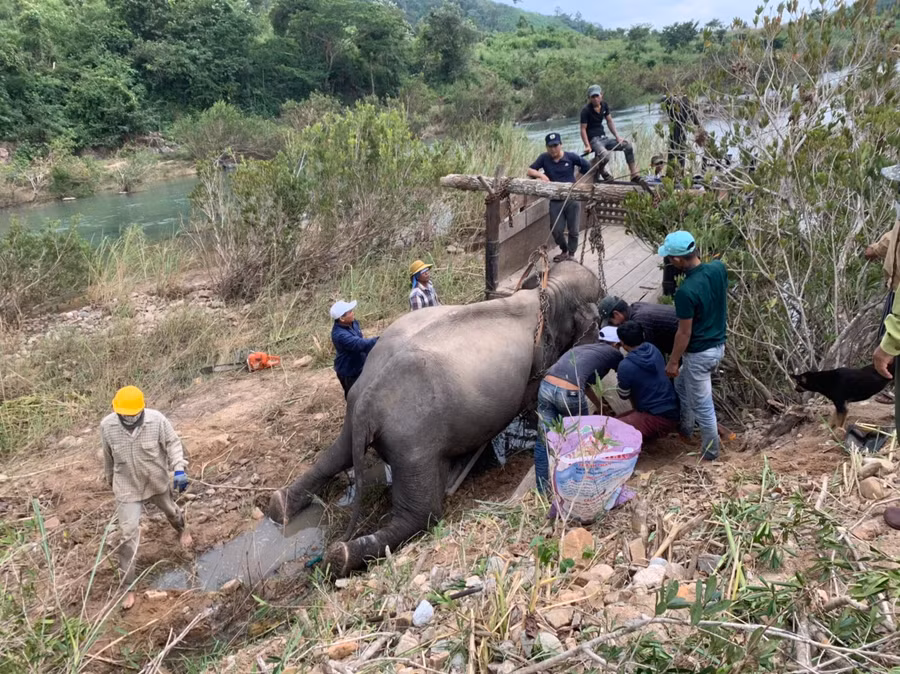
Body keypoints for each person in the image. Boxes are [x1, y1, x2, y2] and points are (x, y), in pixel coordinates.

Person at [101, 386, 192, 610]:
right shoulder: (107, 426)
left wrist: (179, 468)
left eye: (133, 414)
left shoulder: (157, 420)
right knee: (127, 535)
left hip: (155, 480)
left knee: (172, 512)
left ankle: (183, 530)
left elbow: (173, 444)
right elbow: (108, 457)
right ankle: (128, 587)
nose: (129, 418)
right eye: (124, 414)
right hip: (126, 487)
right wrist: (110, 480)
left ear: (142, 409)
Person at [658, 231, 728, 461]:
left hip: (700, 354)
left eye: (670, 258)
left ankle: (711, 454)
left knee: (703, 406)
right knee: (681, 384)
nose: (670, 262)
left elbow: (684, 332)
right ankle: (686, 429)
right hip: (718, 346)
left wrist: (673, 361)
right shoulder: (718, 269)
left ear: (678, 259)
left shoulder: (686, 292)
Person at [534, 342, 623, 493]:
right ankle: (579, 487)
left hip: (546, 387)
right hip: (570, 392)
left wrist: (599, 405)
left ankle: (543, 491)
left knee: (544, 440)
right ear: (617, 343)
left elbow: (586, 384)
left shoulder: (585, 348)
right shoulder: (614, 354)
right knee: (582, 441)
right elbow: (624, 375)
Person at [527, 132, 592, 262]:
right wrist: (542, 175)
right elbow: (530, 170)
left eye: (555, 145)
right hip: (555, 200)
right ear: (546, 147)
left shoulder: (570, 157)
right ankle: (564, 249)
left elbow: (586, 166)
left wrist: (578, 179)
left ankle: (571, 254)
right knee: (556, 229)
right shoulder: (544, 158)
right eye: (550, 146)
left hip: (572, 198)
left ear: (561, 145)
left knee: (573, 229)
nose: (553, 149)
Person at [615, 321, 681, 442]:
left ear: (622, 343)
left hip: (657, 416)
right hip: (672, 409)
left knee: (612, 428)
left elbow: (623, 395)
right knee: (614, 420)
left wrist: (620, 381)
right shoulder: (653, 349)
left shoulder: (625, 365)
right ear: (643, 336)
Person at [580, 85, 640, 183]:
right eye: (593, 97)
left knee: (627, 146)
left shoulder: (604, 105)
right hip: (594, 140)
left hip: (604, 138)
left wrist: (617, 137)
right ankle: (602, 170)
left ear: (601, 95)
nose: (595, 99)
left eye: (597, 96)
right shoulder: (585, 110)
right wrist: (587, 145)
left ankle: (634, 174)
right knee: (605, 156)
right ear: (589, 98)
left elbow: (609, 121)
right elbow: (583, 129)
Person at [598, 295, 679, 358]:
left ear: (616, 314)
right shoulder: (635, 307)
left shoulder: (640, 320)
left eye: (611, 322)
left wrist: (625, 343)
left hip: (684, 340)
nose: (613, 325)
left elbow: (649, 353)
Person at [330, 300, 378, 398]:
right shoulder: (340, 335)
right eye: (350, 312)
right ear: (342, 318)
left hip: (359, 364)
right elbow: (360, 344)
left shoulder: (353, 323)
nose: (353, 313)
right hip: (349, 371)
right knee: (354, 396)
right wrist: (381, 339)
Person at [661, 94, 706, 172]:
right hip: (681, 131)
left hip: (674, 130)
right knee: (680, 155)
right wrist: (700, 127)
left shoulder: (670, 100)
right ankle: (680, 173)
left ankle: (672, 173)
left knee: (673, 154)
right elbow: (693, 116)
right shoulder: (684, 101)